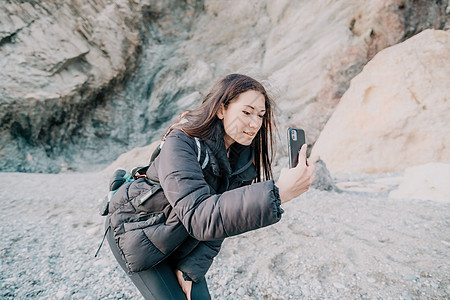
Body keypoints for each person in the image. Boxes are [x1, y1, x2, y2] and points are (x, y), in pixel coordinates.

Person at [105, 73, 316, 299]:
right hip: (138, 234)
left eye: (261, 115)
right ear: (221, 109)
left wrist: (190, 269)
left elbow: (223, 223)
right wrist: (277, 193)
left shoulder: (243, 161)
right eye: (246, 112)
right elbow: (199, 215)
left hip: (181, 237)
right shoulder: (181, 142)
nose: (255, 123)